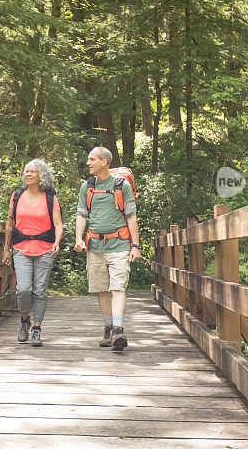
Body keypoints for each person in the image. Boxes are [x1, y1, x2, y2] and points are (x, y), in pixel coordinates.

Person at [74, 147, 140, 351]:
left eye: (92, 159)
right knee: (101, 289)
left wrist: (135, 245)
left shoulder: (123, 185)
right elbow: (81, 214)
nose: (88, 163)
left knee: (118, 287)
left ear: (104, 162)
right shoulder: (87, 186)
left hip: (119, 245)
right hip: (95, 247)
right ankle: (108, 328)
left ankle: (118, 329)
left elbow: (131, 216)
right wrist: (78, 239)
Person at [4, 159, 63, 347]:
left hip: (45, 250)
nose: (28, 174)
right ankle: (24, 321)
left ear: (42, 176)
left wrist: (57, 242)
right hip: (20, 249)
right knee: (23, 289)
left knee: (40, 291)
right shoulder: (16, 196)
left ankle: (36, 329)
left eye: (33, 172)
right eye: (26, 171)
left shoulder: (50, 198)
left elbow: (58, 224)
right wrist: (6, 249)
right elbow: (9, 224)